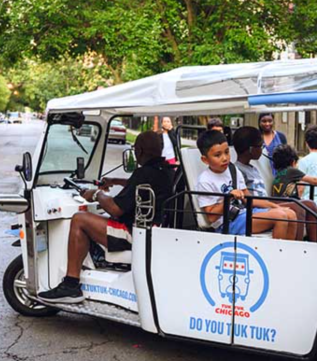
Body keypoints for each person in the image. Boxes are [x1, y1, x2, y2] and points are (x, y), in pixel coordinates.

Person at [38, 131, 174, 304]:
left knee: (80, 219)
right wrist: (116, 181)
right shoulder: (166, 171)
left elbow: (115, 209)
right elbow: (142, 184)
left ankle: (71, 285)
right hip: (154, 230)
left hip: (135, 234)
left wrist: (97, 194)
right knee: (94, 216)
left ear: (139, 151)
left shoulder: (144, 173)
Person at [195, 130, 296, 240]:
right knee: (281, 217)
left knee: (290, 214)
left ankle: (288, 255)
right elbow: (211, 217)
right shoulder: (205, 181)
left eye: (227, 152)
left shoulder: (232, 169)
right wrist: (229, 197)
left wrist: (274, 206)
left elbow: (248, 199)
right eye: (217, 155)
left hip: (243, 213)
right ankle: (275, 255)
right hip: (228, 222)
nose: (224, 158)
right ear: (205, 160)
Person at [233, 126, 317, 242]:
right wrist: (271, 205)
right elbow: (248, 199)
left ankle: (315, 245)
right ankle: (298, 248)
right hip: (258, 206)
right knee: (298, 208)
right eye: (260, 146)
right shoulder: (238, 170)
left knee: (310, 205)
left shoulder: (252, 168)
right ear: (251, 149)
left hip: (266, 202)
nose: (262, 148)